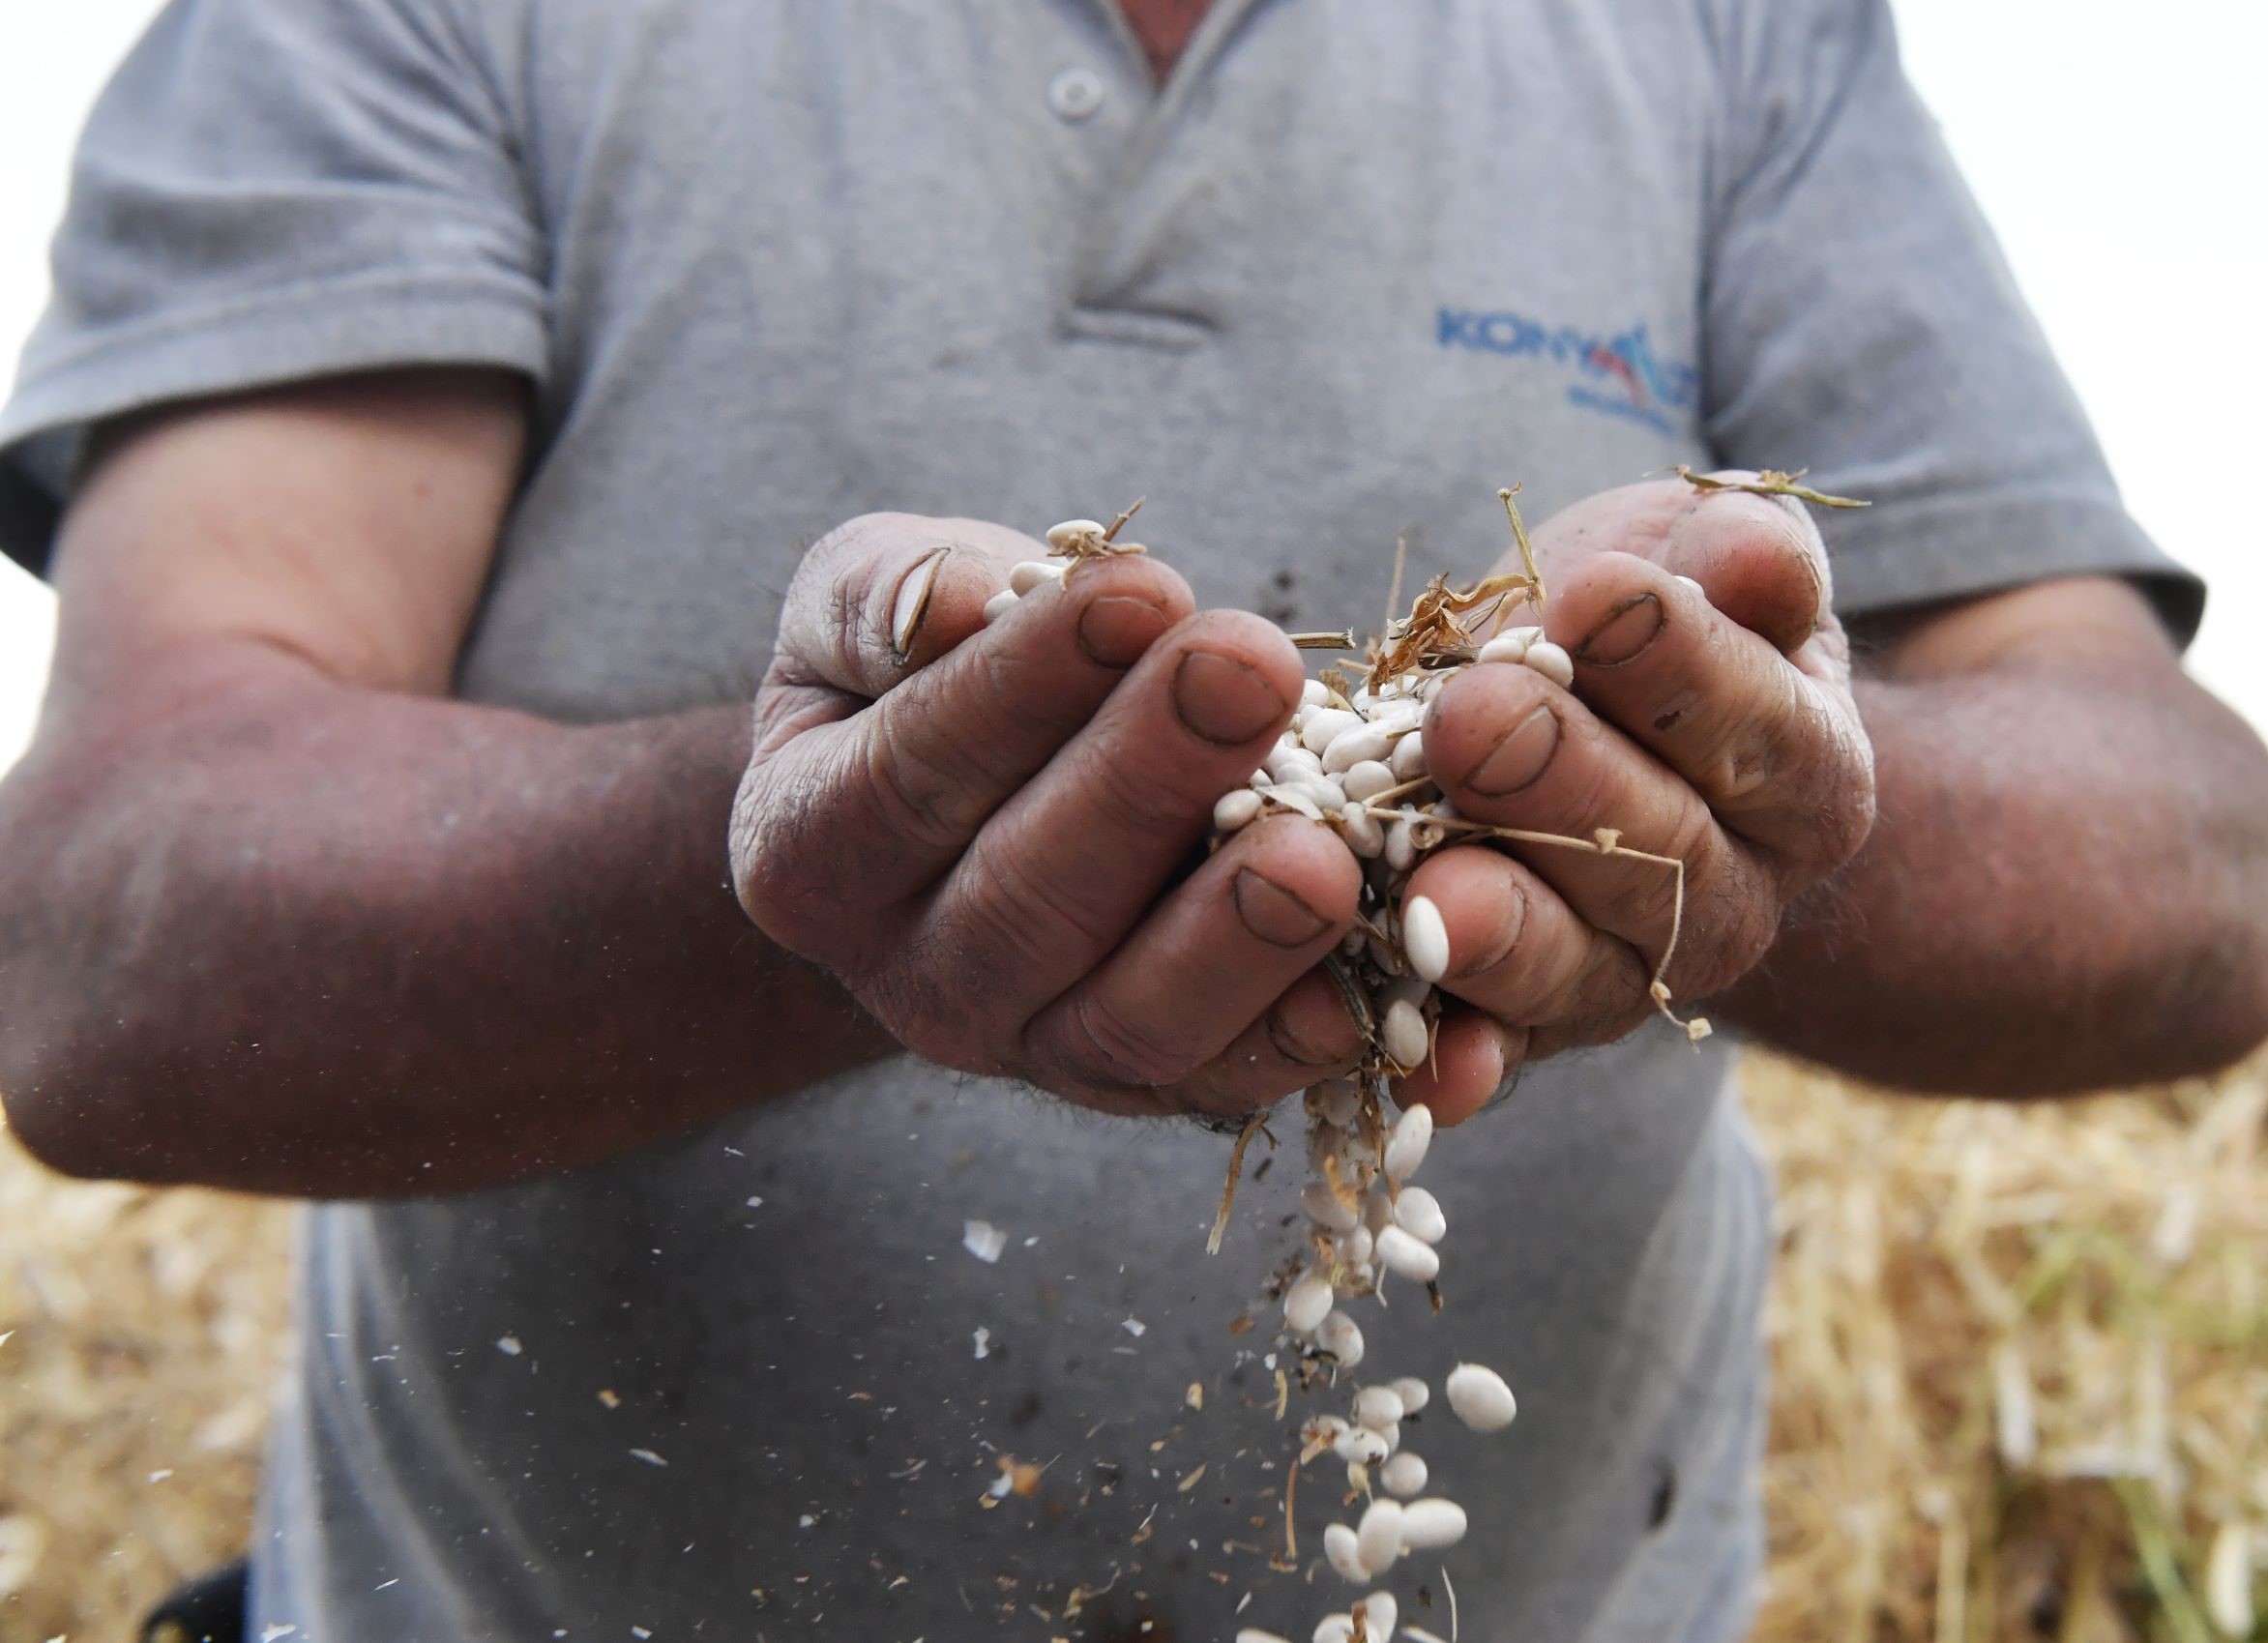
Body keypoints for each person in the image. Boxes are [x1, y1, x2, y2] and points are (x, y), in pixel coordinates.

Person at [2, 1, 2262, 1638]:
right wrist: (836, 853)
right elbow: (100, 937)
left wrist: (1722, 798)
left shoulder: (1724, 42)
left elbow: (2192, 860)